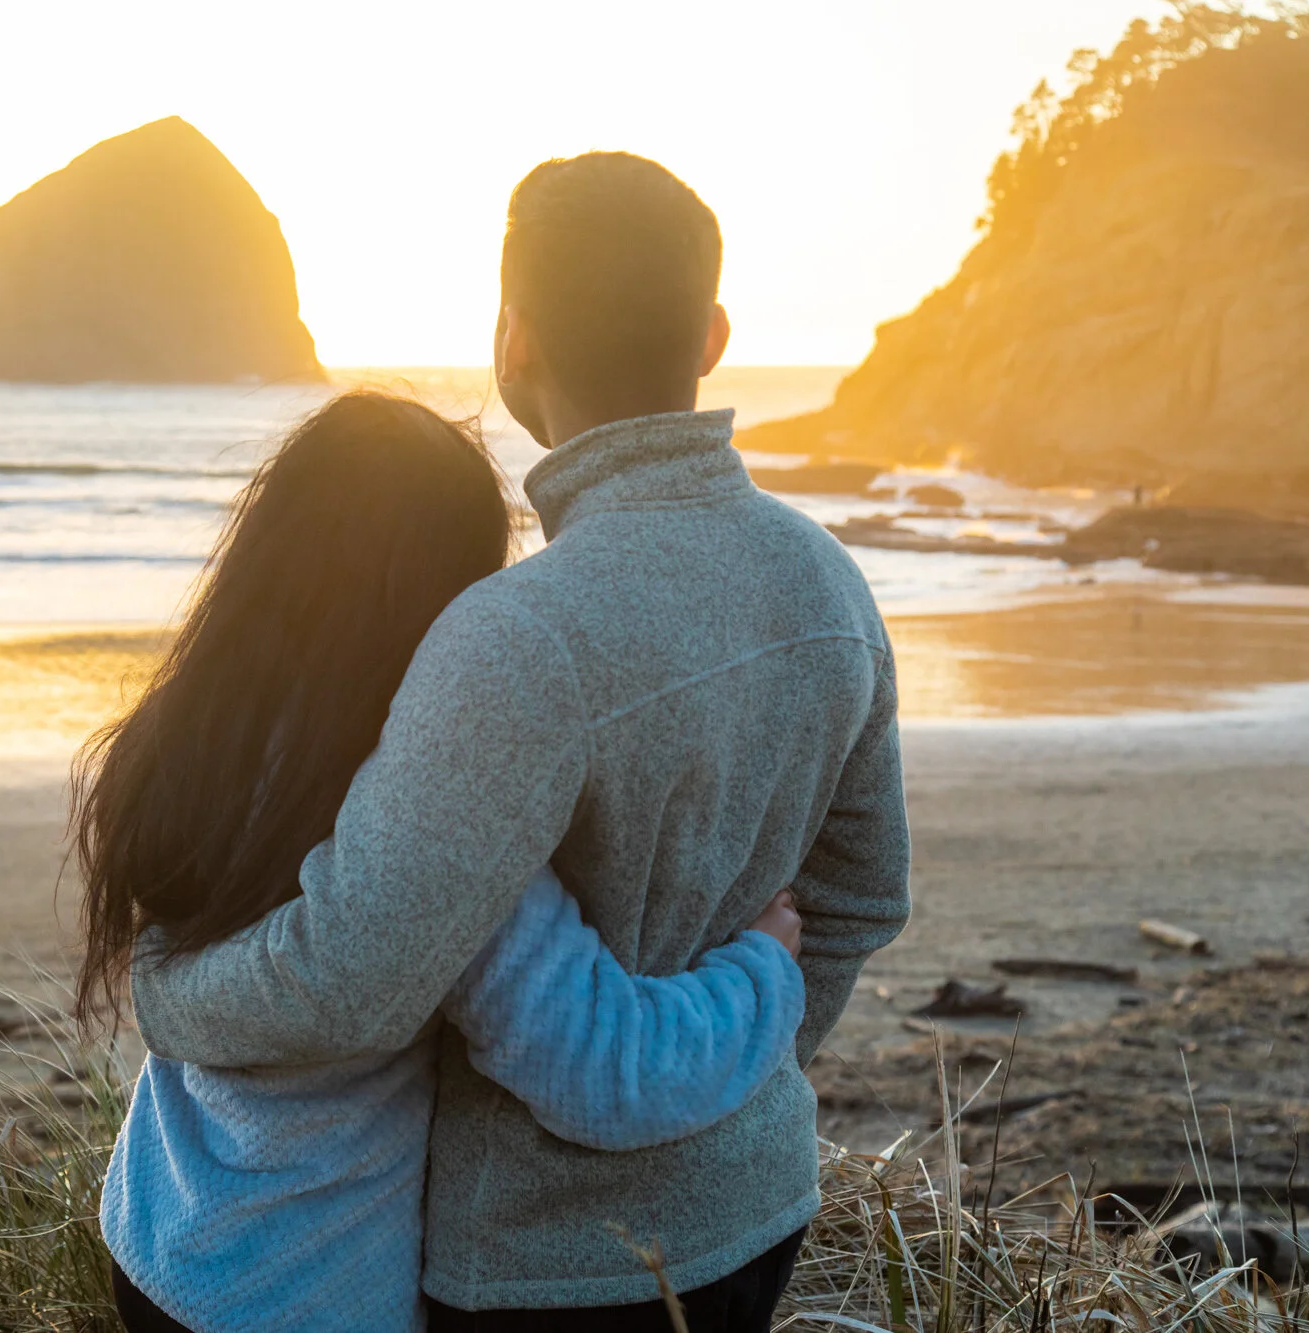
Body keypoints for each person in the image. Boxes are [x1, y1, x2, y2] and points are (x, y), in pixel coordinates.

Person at [125, 152, 913, 1331]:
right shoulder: (827, 583)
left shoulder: (514, 639)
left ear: (511, 339)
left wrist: (165, 996)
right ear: (710, 334)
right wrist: (740, 1070)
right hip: (758, 1202)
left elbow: (350, 981)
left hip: (547, 1267)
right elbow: (856, 901)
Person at [78, 390, 814, 1333]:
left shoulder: (185, 742)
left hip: (154, 1239)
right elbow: (607, 1067)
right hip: (305, 1295)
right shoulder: (425, 822)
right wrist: (762, 970)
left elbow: (175, 962)